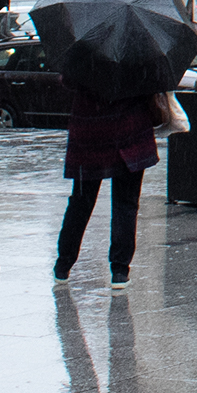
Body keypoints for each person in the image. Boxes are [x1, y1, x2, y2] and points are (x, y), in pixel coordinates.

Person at [55, 89, 159, 288]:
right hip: (130, 128)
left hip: (91, 129)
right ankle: (120, 270)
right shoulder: (138, 58)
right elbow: (155, 81)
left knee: (81, 201)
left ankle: (63, 264)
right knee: (126, 203)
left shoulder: (83, 59)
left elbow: (67, 81)